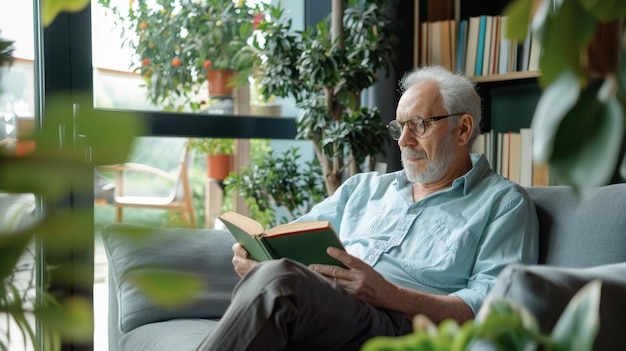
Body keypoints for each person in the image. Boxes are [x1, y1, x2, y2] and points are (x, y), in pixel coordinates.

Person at [196, 65, 539, 351]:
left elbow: (494, 308)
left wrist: (391, 295)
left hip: (404, 328)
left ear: (462, 128)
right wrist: (257, 255)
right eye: (399, 128)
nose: (404, 141)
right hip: (332, 310)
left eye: (418, 125)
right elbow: (288, 239)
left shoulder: (503, 204)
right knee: (276, 274)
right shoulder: (365, 188)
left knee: (280, 280)